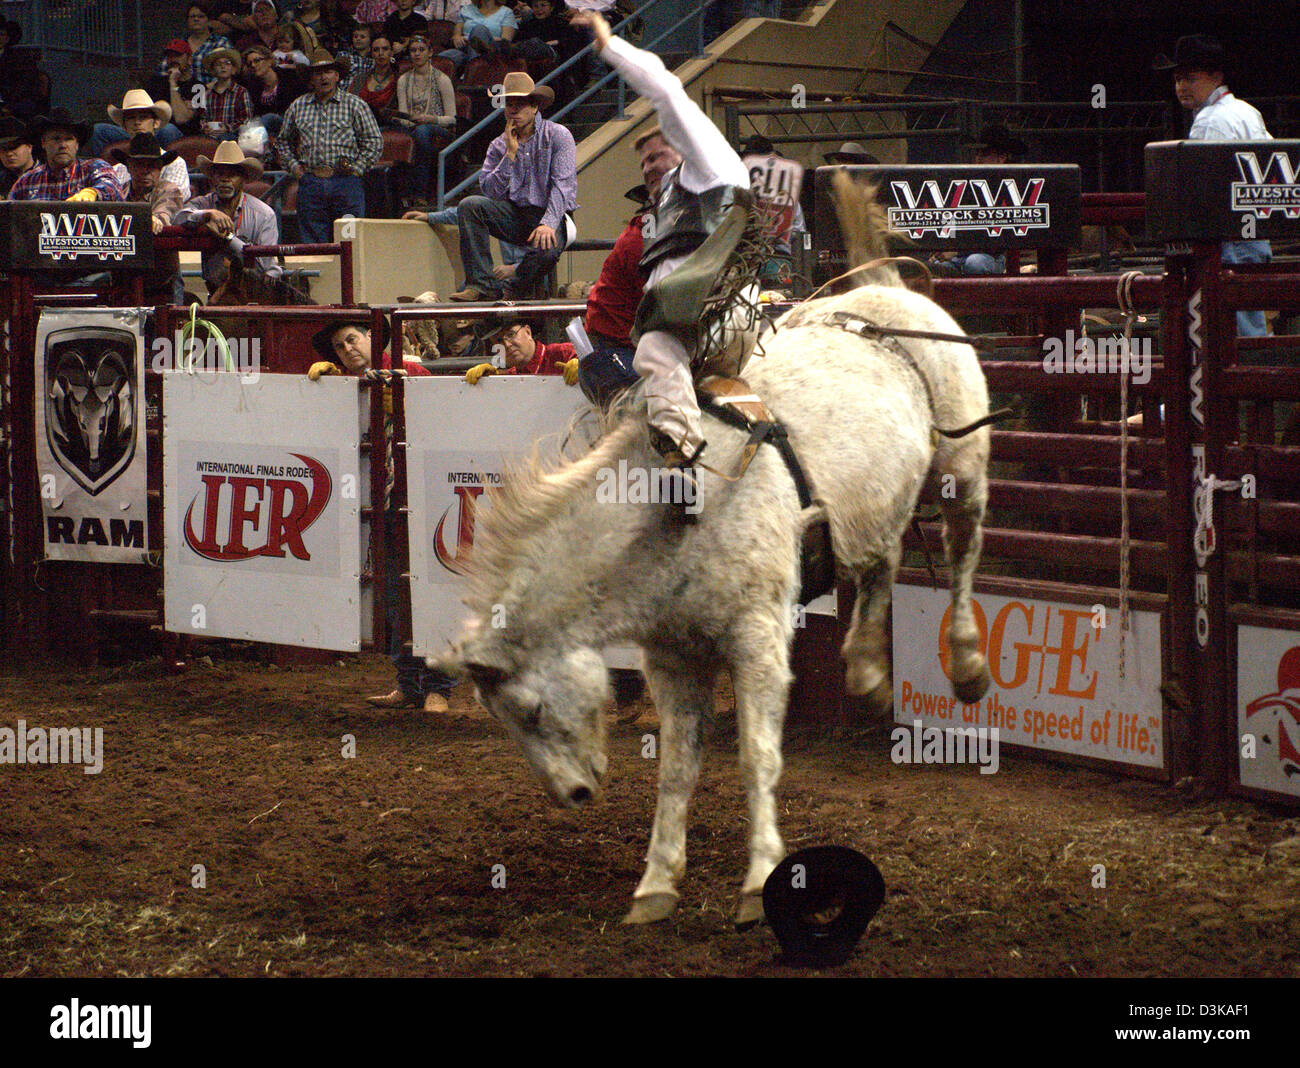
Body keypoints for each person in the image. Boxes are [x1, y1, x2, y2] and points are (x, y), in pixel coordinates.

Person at [572, 9, 760, 476]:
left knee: (654, 351)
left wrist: (607, 44)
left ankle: (685, 458)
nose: (650, 166)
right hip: (706, 319)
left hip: (714, 316)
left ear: (683, 147)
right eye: (643, 163)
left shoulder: (707, 165)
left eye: (658, 155)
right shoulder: (672, 202)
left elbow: (667, 91)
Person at [305, 317, 453, 713]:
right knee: (392, 596)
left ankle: (438, 685)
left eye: (351, 339)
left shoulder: (411, 372)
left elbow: (444, 422)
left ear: (371, 338)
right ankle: (410, 683)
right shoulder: (342, 385)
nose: (347, 349)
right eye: (339, 346)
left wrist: (404, 403)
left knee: (423, 592)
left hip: (416, 499)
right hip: (381, 504)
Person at [1155, 34, 1273, 337]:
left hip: (1228, 237)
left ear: (1215, 77)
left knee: (1231, 329)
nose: (1182, 87)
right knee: (1248, 319)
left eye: (1190, 78)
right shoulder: (1246, 110)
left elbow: (1204, 188)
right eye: (1178, 79)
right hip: (1254, 231)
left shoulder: (1210, 120)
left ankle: (1244, 382)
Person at [449, 71, 576, 301]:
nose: (513, 110)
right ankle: (481, 285)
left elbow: (563, 186)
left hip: (552, 214)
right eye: (509, 104)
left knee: (546, 251)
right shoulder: (499, 144)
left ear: (535, 107)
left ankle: (512, 286)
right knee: (470, 205)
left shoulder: (558, 135)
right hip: (517, 214)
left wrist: (548, 223)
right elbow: (490, 192)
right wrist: (510, 154)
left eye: (521, 104)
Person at [277, 49, 383, 242]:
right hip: (311, 182)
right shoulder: (298, 106)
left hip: (346, 182)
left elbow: (374, 141)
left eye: (328, 72)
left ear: (337, 76)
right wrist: (296, 169)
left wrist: (356, 169)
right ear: (311, 78)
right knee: (313, 244)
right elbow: (283, 141)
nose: (323, 77)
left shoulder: (355, 104)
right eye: (318, 73)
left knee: (350, 243)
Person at [577, 174, 660, 407]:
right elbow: (657, 297)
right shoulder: (646, 238)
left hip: (611, 352)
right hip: (614, 354)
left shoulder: (646, 232)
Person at [174, 141, 281, 288]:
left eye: (232, 175)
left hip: (252, 291)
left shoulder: (264, 214)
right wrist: (207, 214)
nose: (225, 180)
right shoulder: (203, 205)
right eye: (220, 174)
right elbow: (178, 218)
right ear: (212, 178)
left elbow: (264, 266)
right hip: (215, 288)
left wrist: (229, 238)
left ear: (243, 179)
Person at [928, 123, 1027, 278]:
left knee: (975, 263)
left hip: (990, 257)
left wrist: (956, 250)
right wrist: (944, 246)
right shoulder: (966, 183)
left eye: (985, 153)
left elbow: (998, 240)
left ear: (1002, 157)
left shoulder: (1008, 188)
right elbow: (950, 216)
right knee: (937, 265)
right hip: (961, 256)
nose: (978, 159)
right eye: (977, 153)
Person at [112, 133, 185, 303]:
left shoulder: (169, 189)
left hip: (163, 281)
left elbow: (165, 211)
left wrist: (155, 218)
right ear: (129, 167)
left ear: (160, 169)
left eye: (151, 166)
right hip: (126, 279)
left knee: (172, 325)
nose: (145, 171)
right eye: (139, 165)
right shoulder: (119, 192)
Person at [9, 108, 124, 201]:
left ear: (77, 144)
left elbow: (112, 187)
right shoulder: (26, 182)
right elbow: (7, 217)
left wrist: (92, 192)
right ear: (43, 143)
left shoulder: (95, 167)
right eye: (56, 139)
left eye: (69, 139)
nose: (63, 145)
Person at [395, 33, 457, 207]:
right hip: (412, 126)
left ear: (430, 53)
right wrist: (413, 121)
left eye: (421, 50)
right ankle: (401, 194)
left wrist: (429, 118)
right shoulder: (403, 80)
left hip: (438, 126)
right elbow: (402, 115)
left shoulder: (442, 79)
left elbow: (452, 119)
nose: (417, 54)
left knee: (423, 132)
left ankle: (420, 192)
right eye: (413, 50)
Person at [99, 92, 192, 201]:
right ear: (124, 126)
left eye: (143, 117)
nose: (137, 122)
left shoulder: (175, 164)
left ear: (156, 122)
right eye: (131, 118)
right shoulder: (118, 169)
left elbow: (175, 200)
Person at [464, 314, 579, 382]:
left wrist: (586, 367)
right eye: (498, 341)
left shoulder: (565, 354)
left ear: (528, 332)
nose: (507, 345)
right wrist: (489, 380)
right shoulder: (511, 377)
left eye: (510, 334)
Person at [145, 39, 206, 137]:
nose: (173, 60)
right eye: (169, 56)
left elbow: (181, 118)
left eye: (178, 56)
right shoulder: (156, 83)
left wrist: (173, 83)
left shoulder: (199, 87)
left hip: (183, 136)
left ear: (189, 59)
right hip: (153, 132)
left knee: (167, 128)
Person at [439, 0, 517, 74]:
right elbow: (457, 33)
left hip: (491, 51)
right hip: (465, 48)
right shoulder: (467, 9)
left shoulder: (506, 12)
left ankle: (474, 77)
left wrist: (479, 37)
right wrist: (457, 37)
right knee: (441, 59)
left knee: (479, 30)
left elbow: (505, 41)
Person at [242, 44, 304, 136]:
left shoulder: (289, 77)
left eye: (257, 61)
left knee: (268, 118)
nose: (253, 65)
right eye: (249, 64)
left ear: (269, 61)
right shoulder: (253, 87)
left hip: (289, 122)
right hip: (265, 129)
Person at [161, 2, 236, 76]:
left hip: (211, 87)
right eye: (192, 16)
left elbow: (229, 72)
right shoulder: (178, 44)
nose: (196, 19)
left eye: (201, 16)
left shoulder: (221, 43)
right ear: (187, 20)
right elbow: (163, 70)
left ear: (209, 20)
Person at [202, 48, 255, 139]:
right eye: (218, 64)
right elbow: (203, 117)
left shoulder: (241, 92)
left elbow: (247, 120)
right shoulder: (207, 94)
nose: (223, 67)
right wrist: (205, 127)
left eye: (227, 63)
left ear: (233, 69)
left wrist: (227, 128)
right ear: (213, 70)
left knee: (225, 138)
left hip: (233, 135)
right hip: (211, 135)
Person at [350, 34, 400, 125]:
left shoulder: (399, 80)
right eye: (376, 50)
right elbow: (349, 106)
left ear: (391, 52)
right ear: (371, 53)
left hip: (388, 126)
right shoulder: (360, 79)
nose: (380, 53)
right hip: (359, 126)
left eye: (385, 49)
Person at [0, 117, 38, 198]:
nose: (9, 154)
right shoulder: (2, 181)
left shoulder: (47, 176)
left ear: (29, 147)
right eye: (3, 149)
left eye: (14, 147)